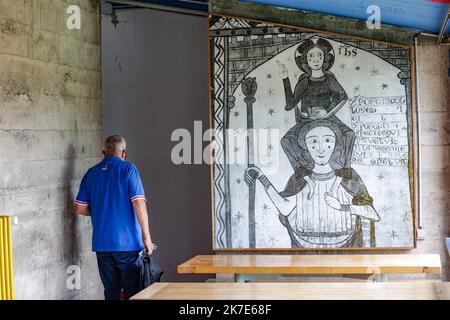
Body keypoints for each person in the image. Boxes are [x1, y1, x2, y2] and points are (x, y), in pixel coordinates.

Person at [244, 120, 379, 248]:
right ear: (305, 147)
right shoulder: (300, 180)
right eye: (313, 141)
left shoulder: (347, 178)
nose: (321, 149)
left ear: (336, 145)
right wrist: (262, 177)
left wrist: (342, 207)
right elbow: (285, 209)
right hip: (304, 244)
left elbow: (373, 214)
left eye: (327, 140)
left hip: (345, 244)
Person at [74, 135, 155, 300]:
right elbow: (139, 204)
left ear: (104, 153)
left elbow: (79, 208)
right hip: (128, 245)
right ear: (123, 153)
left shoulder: (91, 173)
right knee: (134, 293)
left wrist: (100, 210)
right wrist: (147, 237)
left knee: (111, 293)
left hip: (102, 245)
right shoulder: (128, 169)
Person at [277, 38, 357, 198]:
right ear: (305, 60)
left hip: (328, 118)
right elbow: (290, 104)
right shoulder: (304, 80)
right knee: (287, 140)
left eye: (319, 55)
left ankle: (341, 178)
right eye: (311, 56)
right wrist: (285, 78)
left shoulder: (329, 78)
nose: (315, 60)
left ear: (325, 58)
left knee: (349, 135)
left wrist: (326, 113)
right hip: (307, 120)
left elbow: (342, 97)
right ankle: (306, 178)